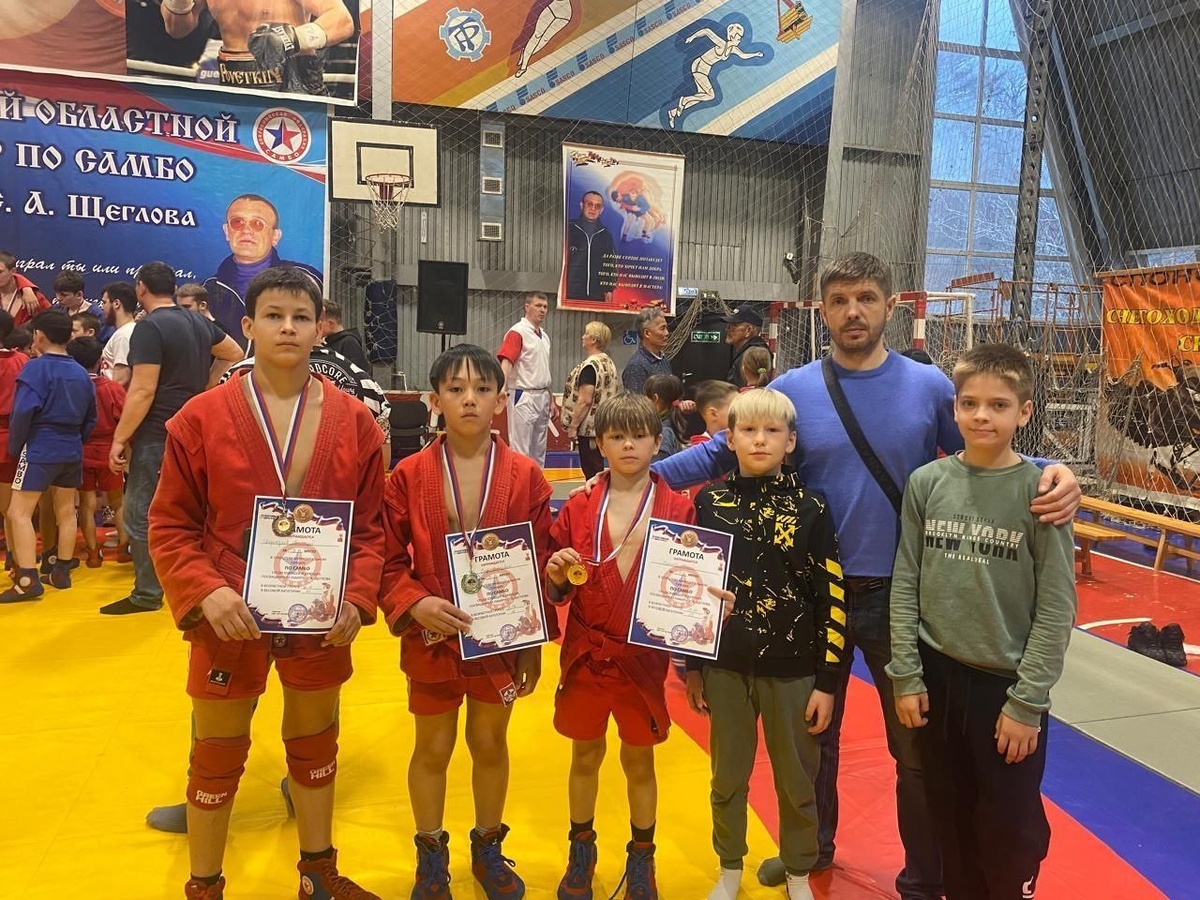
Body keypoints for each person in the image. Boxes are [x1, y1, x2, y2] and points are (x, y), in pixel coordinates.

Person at [646, 252, 1080, 899]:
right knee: (810, 736)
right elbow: (719, 451)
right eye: (841, 300)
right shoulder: (794, 389)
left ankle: (925, 875)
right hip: (806, 595)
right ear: (823, 311)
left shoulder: (928, 386)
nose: (854, 311)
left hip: (900, 596)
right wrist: (633, 478)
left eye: (867, 298)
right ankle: (810, 851)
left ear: (890, 306)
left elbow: (986, 447)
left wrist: (1054, 471)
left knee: (915, 748)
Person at [147, 265, 385, 900]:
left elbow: (371, 530)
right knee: (216, 753)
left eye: (301, 317)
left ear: (320, 329)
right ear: (248, 327)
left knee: (316, 744)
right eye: (274, 316)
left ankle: (318, 873)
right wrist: (204, 590)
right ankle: (204, 885)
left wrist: (359, 597)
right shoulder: (200, 418)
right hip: (230, 609)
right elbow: (170, 523)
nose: (288, 328)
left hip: (319, 611)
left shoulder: (355, 422)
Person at [888, 344, 1076, 900]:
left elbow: (1057, 606)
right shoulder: (927, 483)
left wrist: (1028, 702)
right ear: (954, 408)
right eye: (969, 403)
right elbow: (906, 582)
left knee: (1008, 831)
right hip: (937, 679)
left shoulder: (1041, 493)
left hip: (1005, 686)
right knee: (948, 819)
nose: (981, 416)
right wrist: (906, 675)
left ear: (1025, 412)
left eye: (998, 405)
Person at [380, 344, 554, 900]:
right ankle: (430, 853)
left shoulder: (526, 475)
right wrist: (413, 602)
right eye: (456, 390)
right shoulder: (408, 475)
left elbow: (539, 559)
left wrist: (532, 643)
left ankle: (488, 846)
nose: (470, 400)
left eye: (482, 389)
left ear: (502, 400)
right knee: (432, 748)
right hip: (433, 634)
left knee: (490, 742)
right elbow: (385, 557)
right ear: (434, 401)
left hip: (500, 637)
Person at [545, 392, 711, 900]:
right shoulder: (580, 506)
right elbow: (557, 585)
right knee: (584, 756)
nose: (629, 446)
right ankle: (581, 850)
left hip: (641, 659)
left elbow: (691, 590)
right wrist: (557, 575)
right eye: (617, 437)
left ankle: (642, 857)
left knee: (640, 762)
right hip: (587, 654)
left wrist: (694, 661)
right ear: (600, 444)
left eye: (639, 436)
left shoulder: (679, 507)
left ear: (658, 442)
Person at [685, 389, 847, 900]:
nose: (760, 440)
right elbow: (690, 589)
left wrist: (828, 681)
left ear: (790, 441)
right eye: (748, 430)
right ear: (729, 439)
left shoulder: (812, 507)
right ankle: (729, 867)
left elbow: (832, 595)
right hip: (726, 666)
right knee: (727, 777)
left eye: (772, 431)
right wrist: (692, 666)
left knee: (798, 781)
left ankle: (798, 871)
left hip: (794, 669)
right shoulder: (708, 503)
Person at [101, 261, 244, 616]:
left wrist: (119, 438)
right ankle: (199, 587)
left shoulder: (149, 327)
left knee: (141, 513)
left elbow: (142, 390)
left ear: (141, 288)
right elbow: (235, 353)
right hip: (193, 429)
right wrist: (204, 389)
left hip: (157, 432)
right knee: (193, 513)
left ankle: (148, 593)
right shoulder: (197, 321)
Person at [0, 310, 96, 602]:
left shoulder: (35, 369)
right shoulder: (80, 371)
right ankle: (61, 571)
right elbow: (90, 417)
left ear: (38, 335)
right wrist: (77, 440)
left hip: (41, 445)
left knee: (18, 512)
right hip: (72, 446)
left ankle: (27, 579)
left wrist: (16, 446)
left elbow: (23, 412)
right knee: (66, 510)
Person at [159, 0, 355, 95]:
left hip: (292, 81)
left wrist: (293, 39)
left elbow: (342, 20)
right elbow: (176, 29)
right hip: (233, 83)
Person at [203, 195, 324, 344]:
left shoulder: (308, 279)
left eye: (257, 223)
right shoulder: (207, 290)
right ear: (227, 231)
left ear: (275, 236)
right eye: (237, 222)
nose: (246, 230)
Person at [65, 336, 130, 568]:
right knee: (118, 501)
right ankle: (123, 548)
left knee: (86, 503)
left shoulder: (70, 389)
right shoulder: (112, 389)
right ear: (101, 361)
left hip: (81, 451)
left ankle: (93, 554)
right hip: (109, 452)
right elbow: (126, 420)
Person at [667, 22, 765, 128]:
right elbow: (707, 31)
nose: (740, 40)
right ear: (732, 37)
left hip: (705, 71)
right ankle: (684, 100)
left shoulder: (733, 49)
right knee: (710, 95)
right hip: (699, 67)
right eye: (738, 38)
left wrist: (756, 54)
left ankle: (673, 112)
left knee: (701, 96)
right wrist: (692, 36)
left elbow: (743, 55)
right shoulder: (722, 44)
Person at [497, 291, 553, 467]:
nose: (542, 310)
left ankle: (537, 483)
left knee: (539, 450)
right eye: (538, 306)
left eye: (545, 307)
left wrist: (550, 397)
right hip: (523, 395)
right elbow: (507, 362)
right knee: (520, 449)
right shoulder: (517, 332)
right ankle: (520, 483)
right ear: (527, 307)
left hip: (542, 395)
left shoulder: (544, 336)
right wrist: (501, 389)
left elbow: (543, 369)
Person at [561, 321, 619, 479]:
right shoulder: (609, 363)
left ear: (593, 339)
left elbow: (585, 400)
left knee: (592, 472)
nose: (583, 336)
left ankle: (596, 495)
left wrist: (573, 426)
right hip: (605, 424)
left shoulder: (590, 366)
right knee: (599, 468)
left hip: (589, 429)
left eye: (586, 334)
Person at [0, 310, 29, 568]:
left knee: (9, 508)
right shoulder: (22, 361)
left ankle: (17, 559)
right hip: (14, 439)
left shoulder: (21, 360)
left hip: (9, 437)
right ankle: (15, 557)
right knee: (10, 506)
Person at [565, 192, 617, 303]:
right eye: (589, 204)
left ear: (601, 210)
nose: (593, 209)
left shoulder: (605, 234)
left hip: (596, 296)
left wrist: (609, 289)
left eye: (597, 206)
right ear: (581, 205)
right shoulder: (568, 229)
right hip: (569, 295)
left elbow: (610, 264)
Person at [621, 307, 672, 395]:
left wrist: (679, 402)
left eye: (666, 328)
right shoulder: (636, 367)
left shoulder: (663, 360)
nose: (667, 333)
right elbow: (636, 402)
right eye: (662, 328)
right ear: (647, 333)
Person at [99, 280, 139, 388]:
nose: (102, 307)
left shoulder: (124, 335)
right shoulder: (127, 331)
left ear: (116, 303)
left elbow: (121, 380)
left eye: (104, 302)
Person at [721, 306, 770, 388]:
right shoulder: (747, 350)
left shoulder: (754, 352)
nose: (727, 329)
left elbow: (750, 387)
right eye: (728, 325)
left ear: (748, 330)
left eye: (733, 325)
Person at [0, 251, 50, 327]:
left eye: (0, 272)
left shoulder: (35, 298)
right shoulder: (26, 289)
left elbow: (54, 322)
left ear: (13, 271)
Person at [319, 299, 371, 372]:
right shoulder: (328, 342)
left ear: (331, 323)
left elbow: (359, 373)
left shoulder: (349, 343)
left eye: (319, 321)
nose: (316, 325)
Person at [643, 373, 685, 460]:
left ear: (655, 398)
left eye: (645, 397)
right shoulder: (673, 420)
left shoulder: (663, 432)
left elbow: (658, 465)